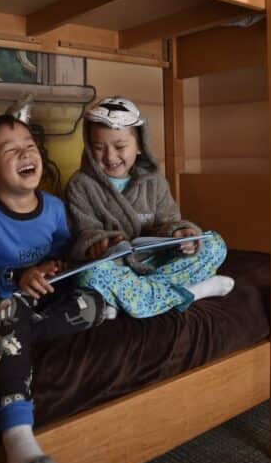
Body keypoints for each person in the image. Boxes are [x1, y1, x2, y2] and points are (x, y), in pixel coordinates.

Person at [0, 111, 111, 463]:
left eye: (30, 146)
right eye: (11, 150)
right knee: (9, 311)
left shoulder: (53, 208)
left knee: (97, 304)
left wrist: (71, 261)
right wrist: (16, 279)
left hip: (41, 298)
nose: (26, 154)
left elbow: (61, 252)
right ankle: (17, 433)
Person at [66, 97, 234, 318]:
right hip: (118, 267)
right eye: (99, 148)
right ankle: (194, 291)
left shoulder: (154, 181)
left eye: (120, 146)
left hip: (156, 262)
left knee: (214, 244)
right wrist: (100, 243)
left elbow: (169, 222)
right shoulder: (80, 185)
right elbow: (83, 231)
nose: (109, 156)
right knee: (88, 276)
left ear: (139, 147)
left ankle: (132, 297)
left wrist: (182, 235)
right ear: (89, 148)